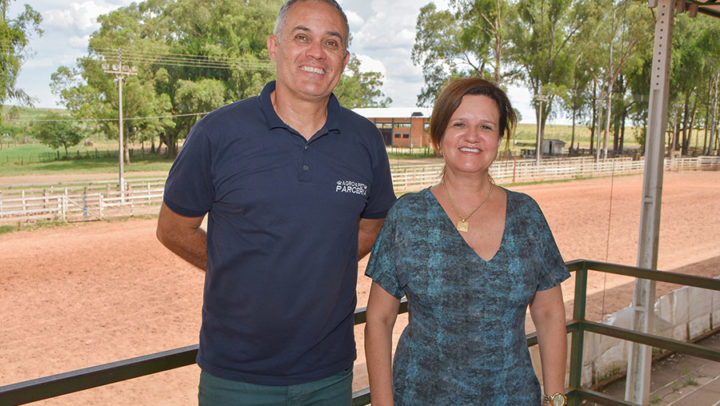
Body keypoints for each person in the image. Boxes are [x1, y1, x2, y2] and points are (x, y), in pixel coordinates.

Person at [155, 0, 396, 404]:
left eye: (331, 43)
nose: (316, 53)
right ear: (274, 46)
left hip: (329, 375)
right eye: (302, 37)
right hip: (236, 377)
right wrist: (239, 269)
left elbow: (373, 224)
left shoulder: (365, 141)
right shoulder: (217, 133)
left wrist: (319, 263)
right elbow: (173, 228)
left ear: (344, 59)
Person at [364, 78, 570, 406]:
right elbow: (379, 318)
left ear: (499, 138)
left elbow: (549, 312)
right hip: (420, 396)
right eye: (459, 124)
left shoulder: (527, 216)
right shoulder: (408, 215)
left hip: (511, 397)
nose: (472, 136)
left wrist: (556, 396)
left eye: (485, 126)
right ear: (439, 135)